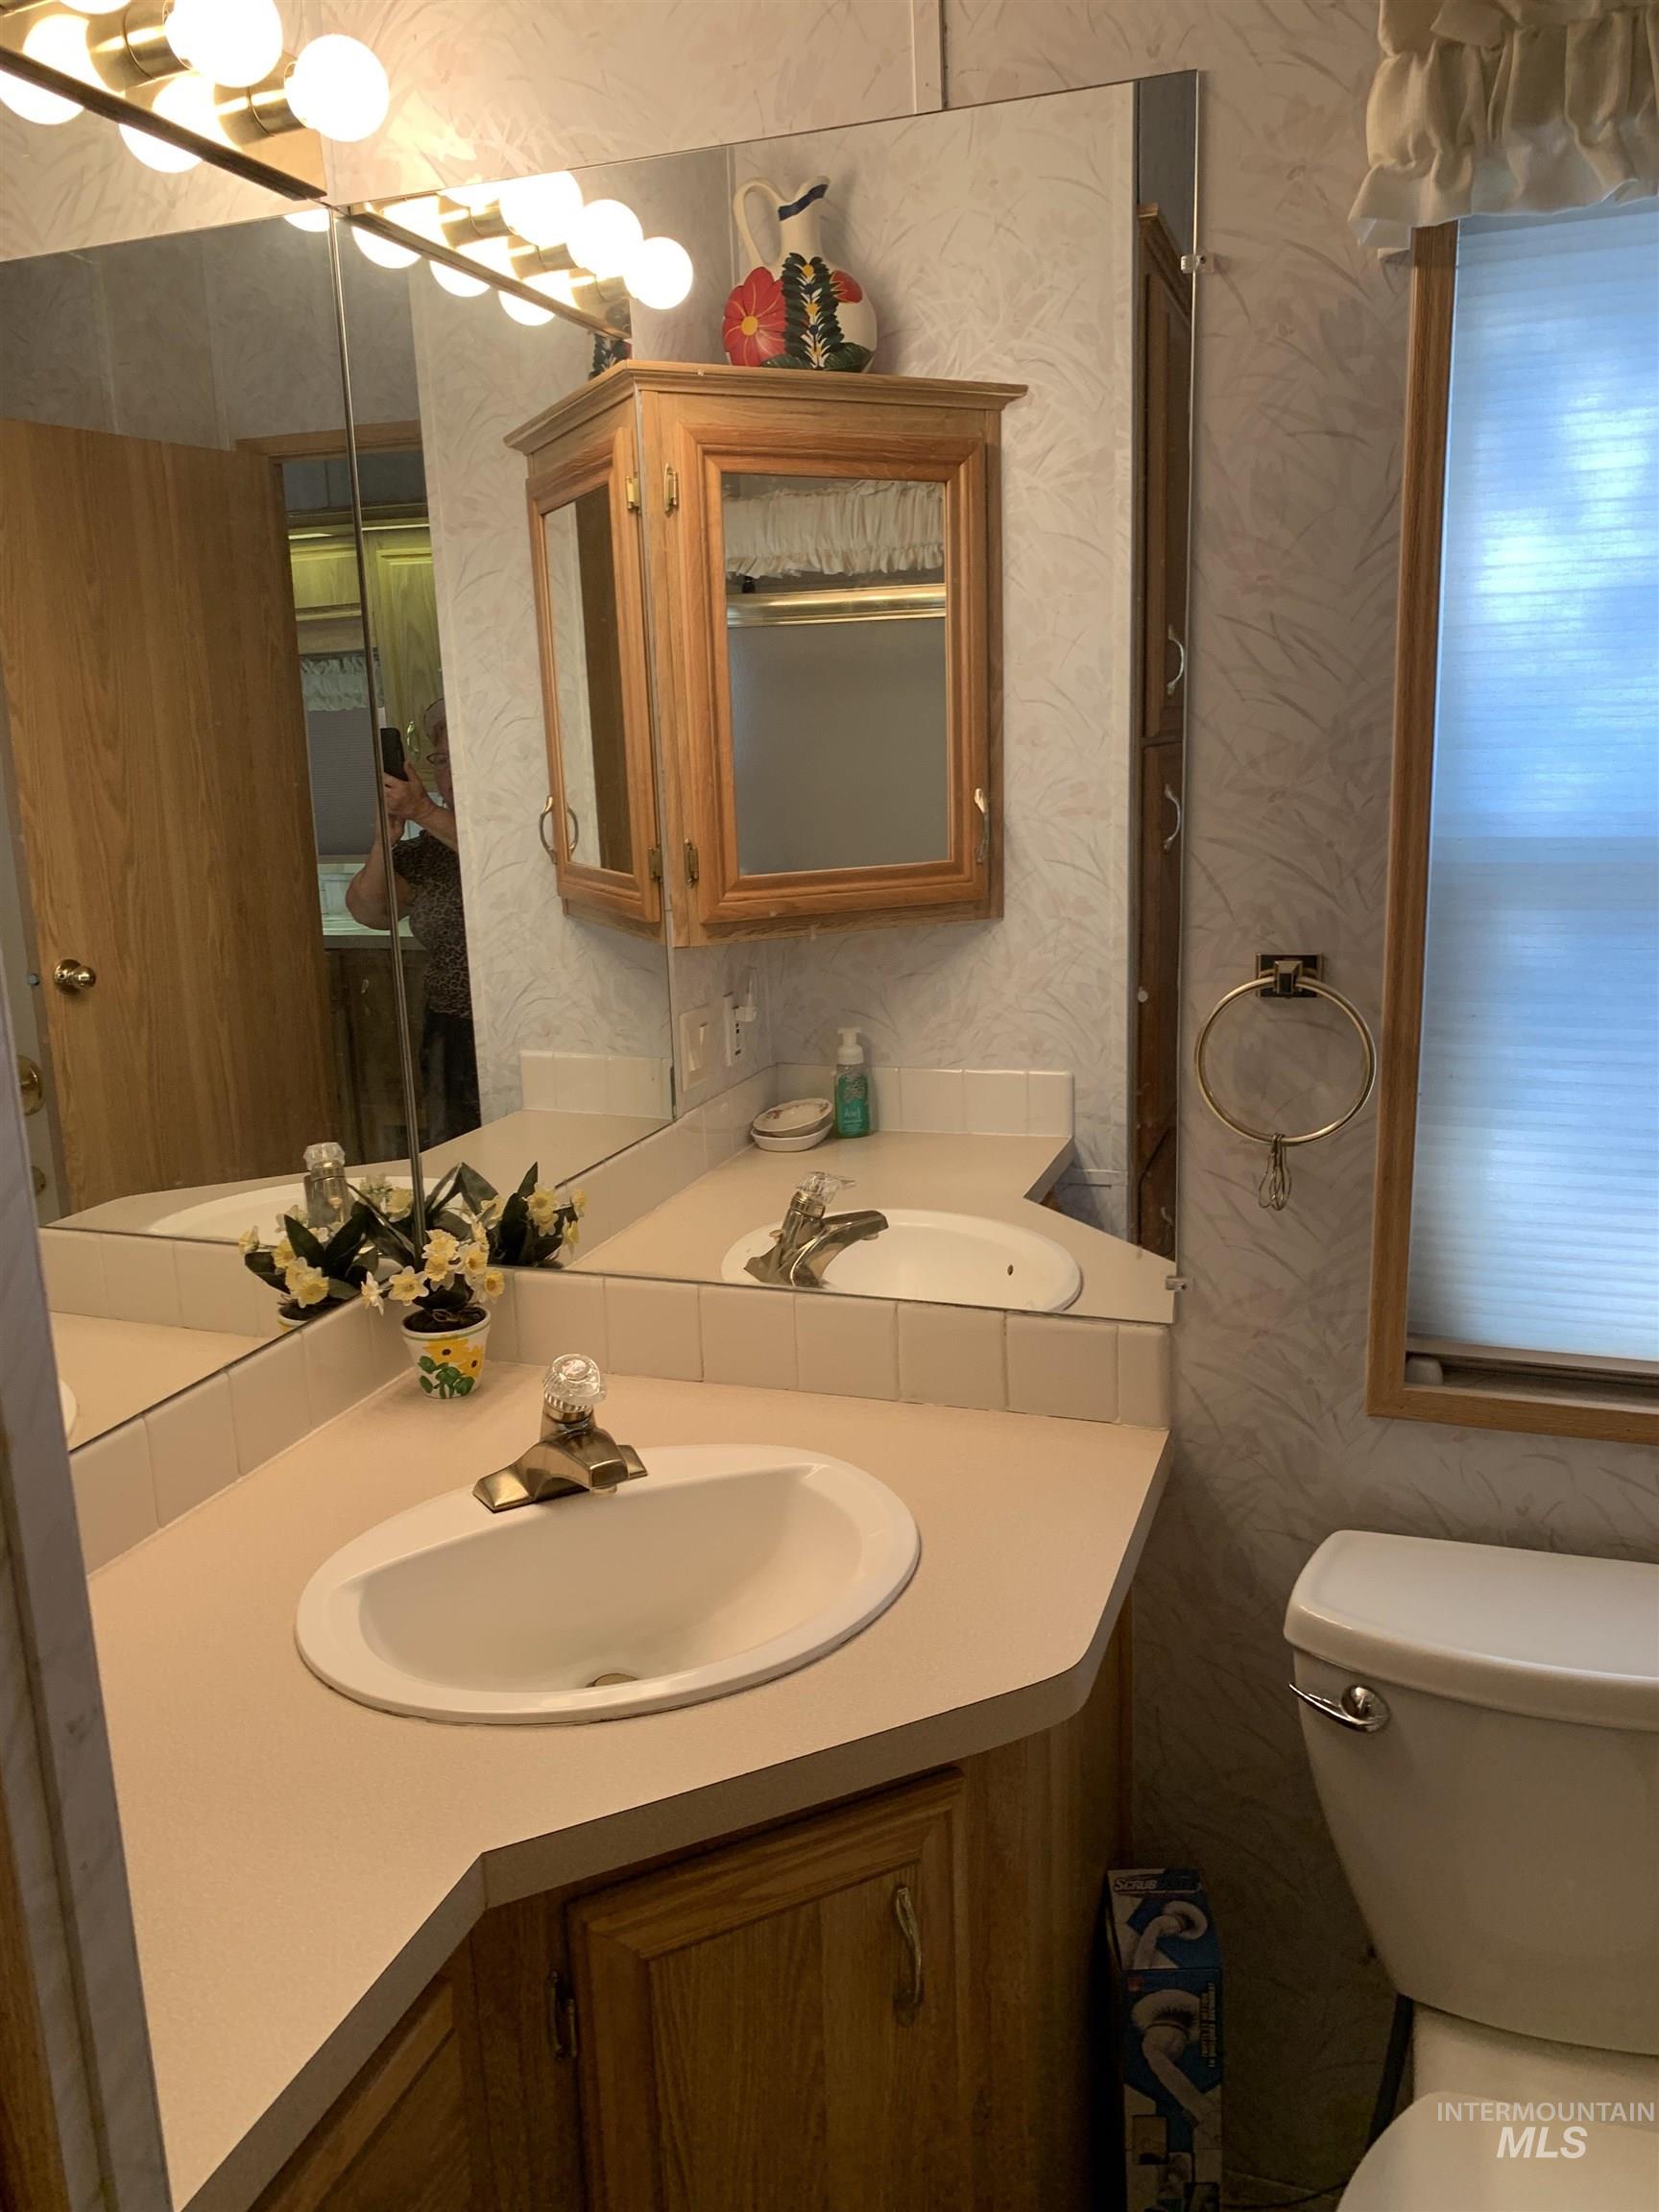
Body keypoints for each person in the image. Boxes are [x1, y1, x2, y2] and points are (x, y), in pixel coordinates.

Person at [346, 698, 479, 1144]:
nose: (449, 774)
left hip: (524, 1024)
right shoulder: (426, 852)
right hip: (450, 1032)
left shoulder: (526, 830)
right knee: (460, 1154)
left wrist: (423, 811)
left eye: (460, 758)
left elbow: (500, 859)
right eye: (442, 760)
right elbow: (370, 911)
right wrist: (383, 841)